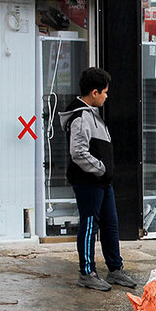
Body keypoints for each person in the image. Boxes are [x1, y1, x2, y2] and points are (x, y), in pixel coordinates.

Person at [60, 67, 137, 292]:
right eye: (104, 92)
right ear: (94, 92)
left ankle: (115, 269)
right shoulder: (81, 117)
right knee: (90, 224)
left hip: (102, 182)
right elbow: (78, 152)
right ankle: (87, 272)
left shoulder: (92, 115)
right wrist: (101, 169)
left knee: (110, 224)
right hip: (89, 181)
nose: (106, 96)